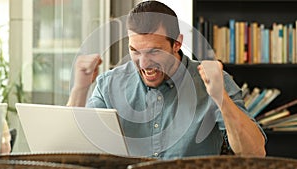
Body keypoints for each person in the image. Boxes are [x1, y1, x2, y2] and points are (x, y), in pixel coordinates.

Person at [67, 1, 266, 159]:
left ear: (177, 44)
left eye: (154, 51)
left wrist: (221, 98)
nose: (143, 63)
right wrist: (79, 90)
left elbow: (254, 152)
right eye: (134, 50)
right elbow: (69, 148)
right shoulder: (109, 84)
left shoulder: (213, 81)